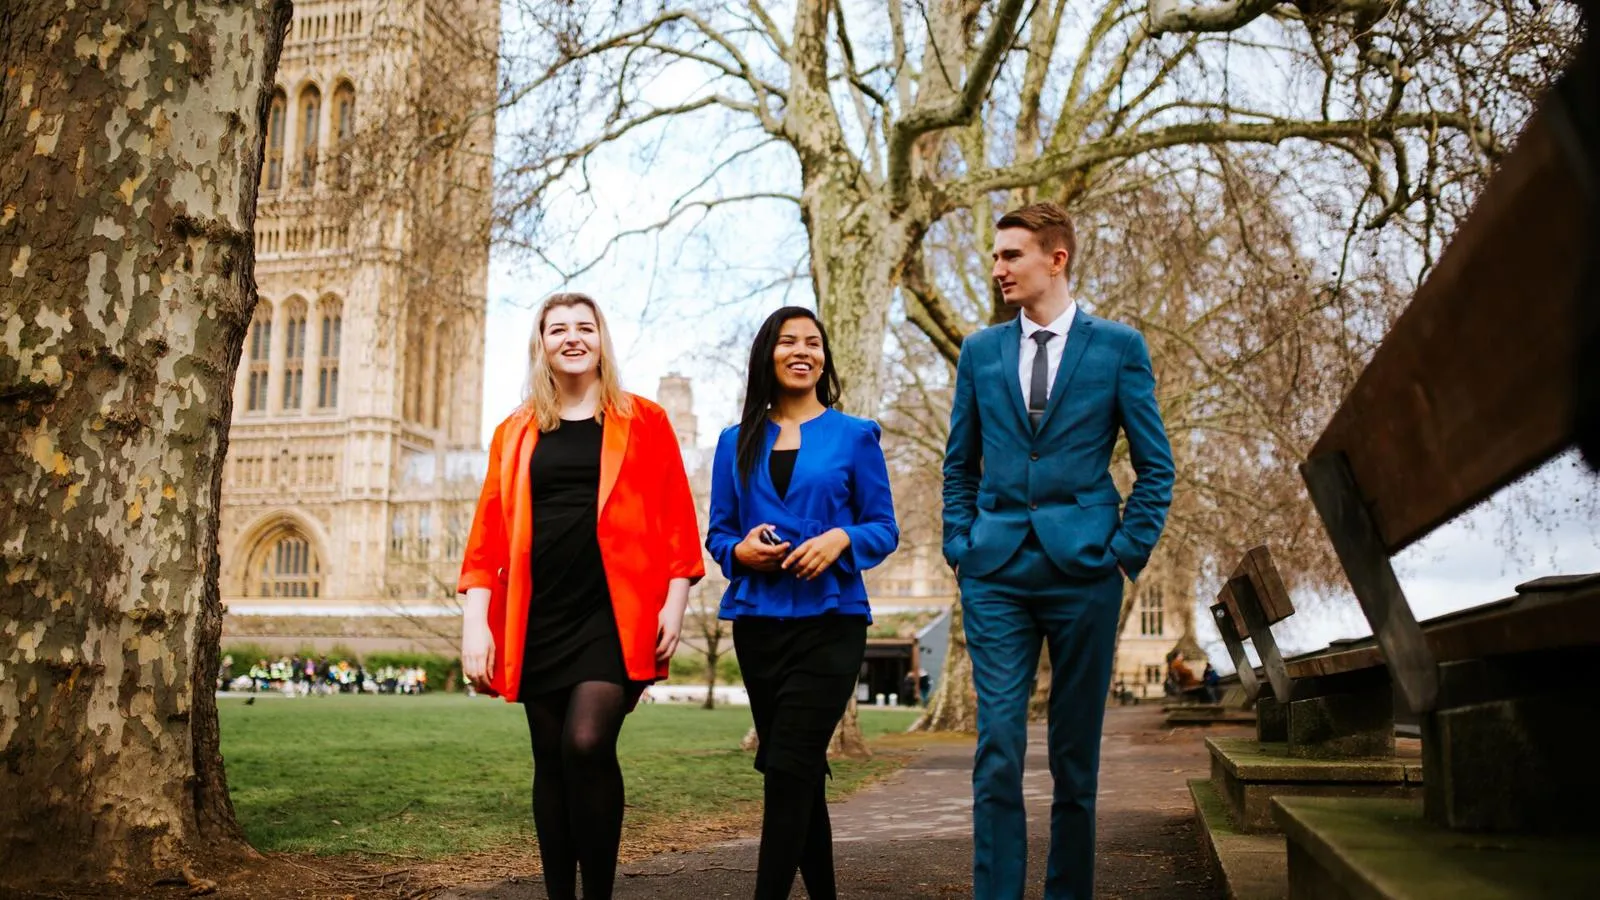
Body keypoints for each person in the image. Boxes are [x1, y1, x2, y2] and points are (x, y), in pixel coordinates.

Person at [942, 202, 1174, 900]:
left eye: (1010, 255)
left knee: (1076, 759)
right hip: (997, 573)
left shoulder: (1117, 348)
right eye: (995, 255)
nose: (997, 268)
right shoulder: (981, 352)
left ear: (1056, 259)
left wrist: (1125, 551)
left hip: (1086, 572)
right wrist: (960, 545)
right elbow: (960, 465)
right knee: (998, 750)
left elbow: (1155, 466)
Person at [458, 292, 704, 900]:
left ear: (601, 339)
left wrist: (674, 601)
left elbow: (677, 518)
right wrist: (475, 622)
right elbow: (486, 537)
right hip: (538, 616)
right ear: (541, 343)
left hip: (615, 615)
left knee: (586, 743)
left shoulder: (644, 420)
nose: (572, 337)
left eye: (584, 327)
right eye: (558, 328)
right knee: (550, 760)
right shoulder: (514, 431)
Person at [706, 306, 899, 900]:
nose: (801, 351)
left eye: (812, 342)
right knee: (801, 774)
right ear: (768, 354)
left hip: (831, 624)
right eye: (788, 341)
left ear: (823, 357)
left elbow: (883, 528)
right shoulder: (734, 442)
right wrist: (742, 551)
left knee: (788, 766)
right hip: (759, 627)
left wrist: (843, 538)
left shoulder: (855, 435)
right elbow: (717, 535)